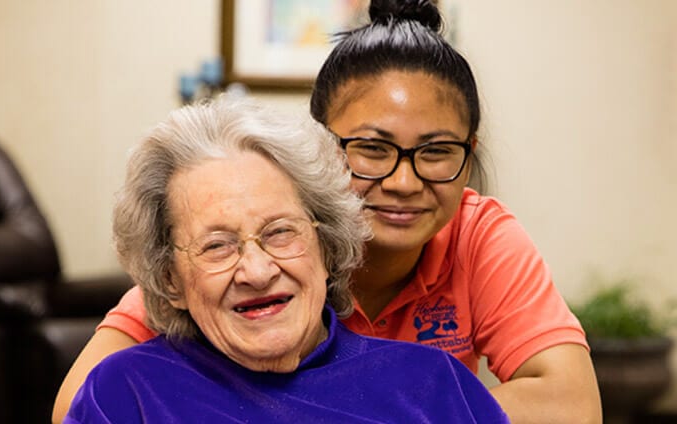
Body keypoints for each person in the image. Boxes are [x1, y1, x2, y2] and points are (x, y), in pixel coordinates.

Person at [54, 1, 602, 423]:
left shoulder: (474, 246)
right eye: (372, 148)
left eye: (436, 151)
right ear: (320, 151)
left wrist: (403, 401)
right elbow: (83, 402)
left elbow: (572, 407)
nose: (404, 181)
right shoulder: (202, 269)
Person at [64, 96, 509, 423]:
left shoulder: (434, 387)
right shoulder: (124, 393)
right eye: (217, 245)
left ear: (327, 246)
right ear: (170, 279)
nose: (257, 272)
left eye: (280, 233)